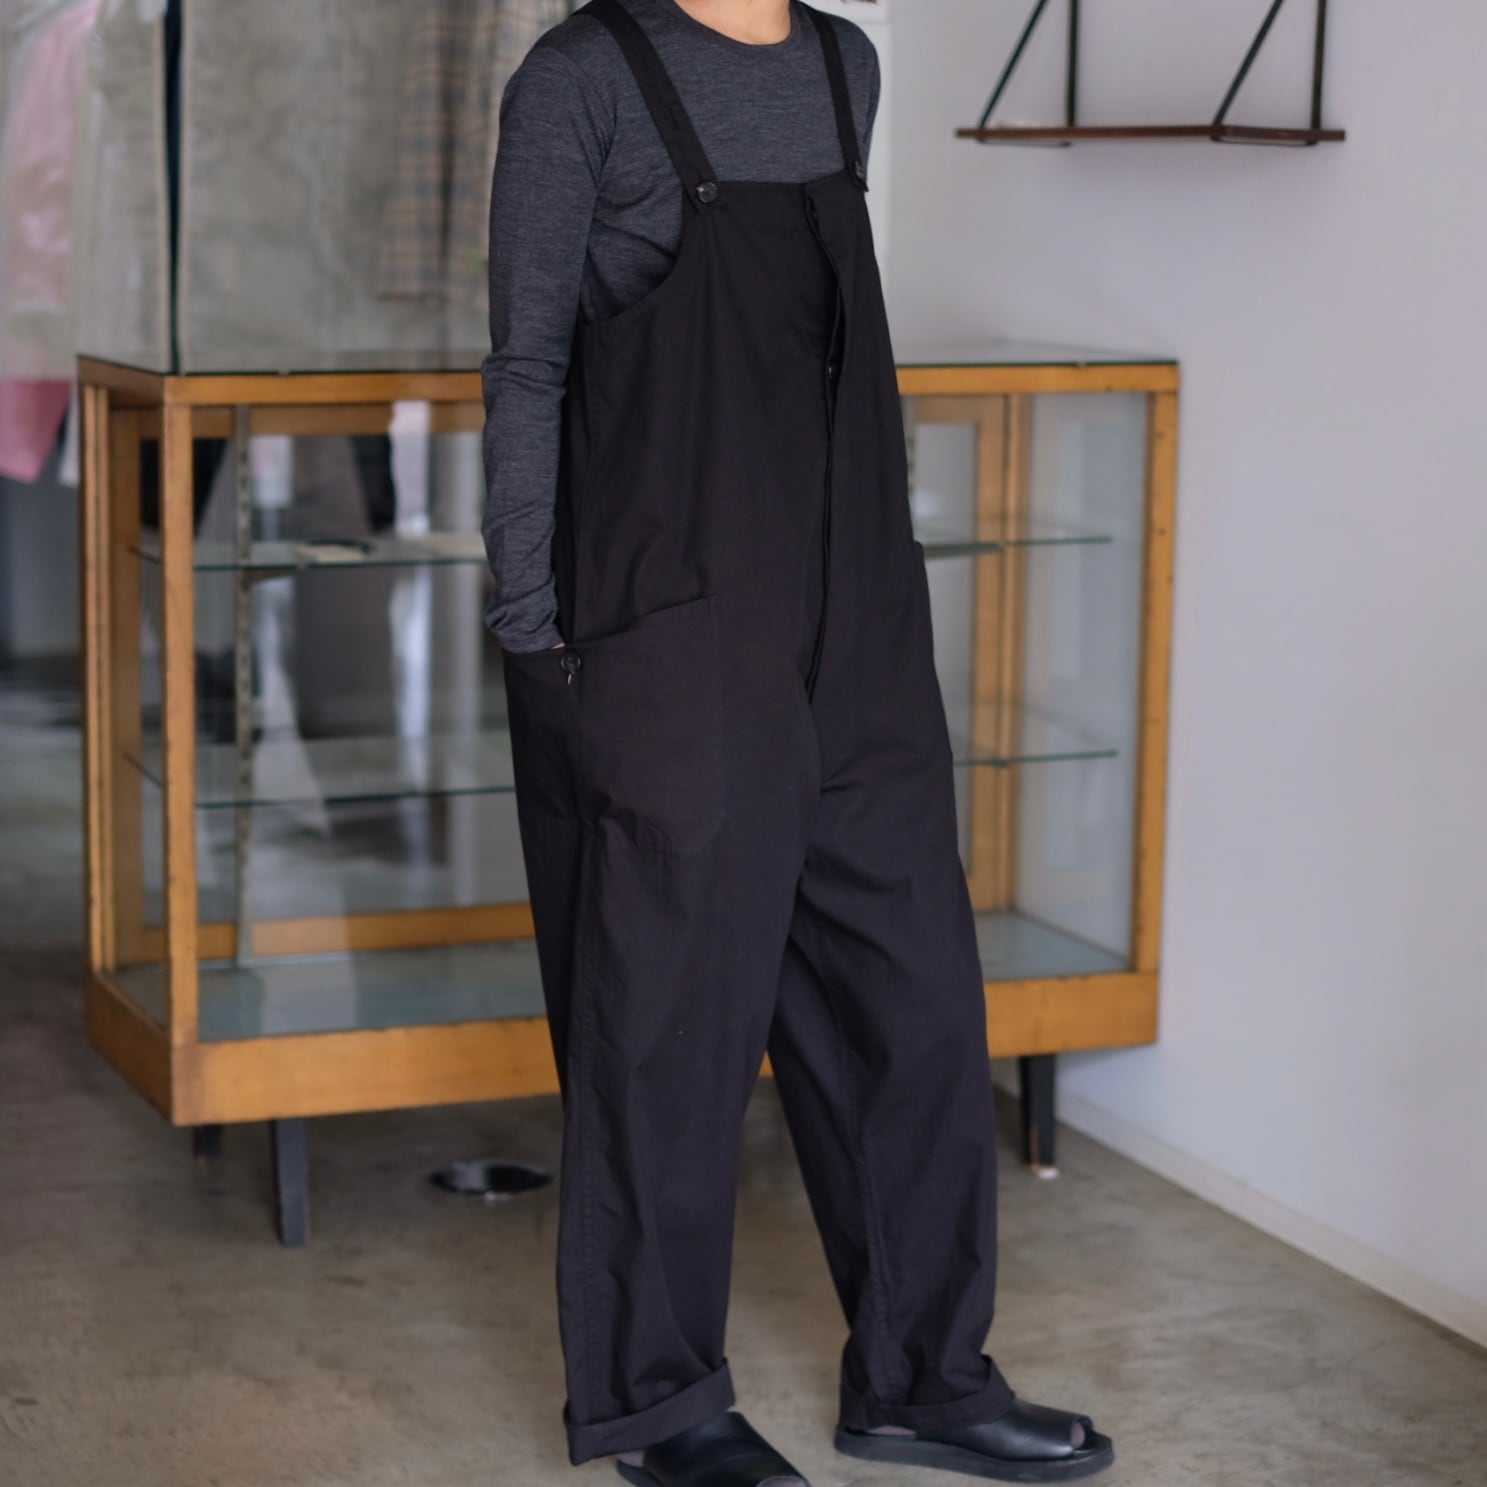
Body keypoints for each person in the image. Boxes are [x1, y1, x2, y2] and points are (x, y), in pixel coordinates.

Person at [480, 1, 1114, 1482]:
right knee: (668, 1029)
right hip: (670, 621)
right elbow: (527, 364)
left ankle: (922, 1377)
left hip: (859, 618)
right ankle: (660, 1405)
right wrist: (535, 627)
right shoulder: (581, 82)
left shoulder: (846, 65)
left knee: (913, 1000)